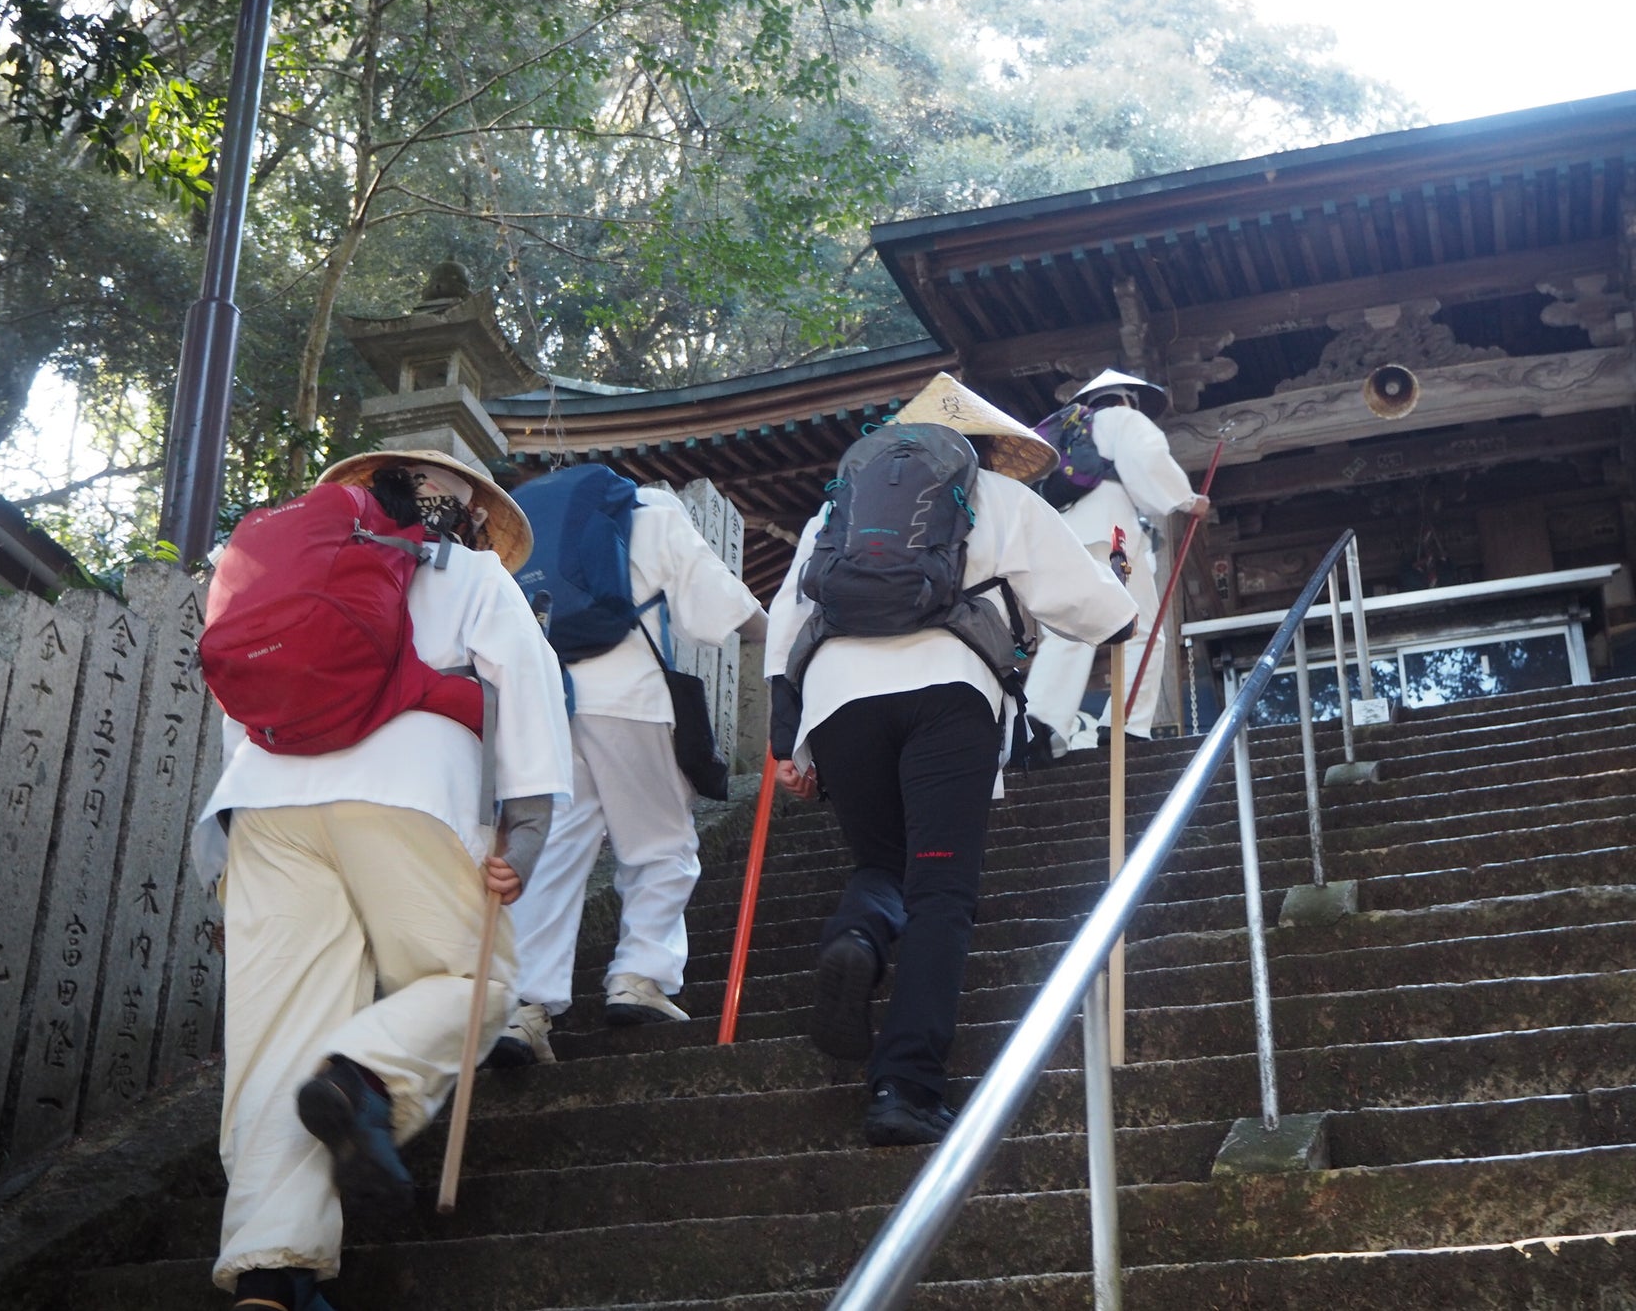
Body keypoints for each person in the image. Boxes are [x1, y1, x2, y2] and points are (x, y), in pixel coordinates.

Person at [191, 450, 574, 1311]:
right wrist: (528, 831)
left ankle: (269, 1275)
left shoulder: (276, 560)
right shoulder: (472, 571)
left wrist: (224, 842)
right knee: (476, 980)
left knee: (275, 1040)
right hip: (408, 793)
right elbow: (527, 691)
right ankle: (364, 1079)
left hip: (266, 804)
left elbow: (243, 703)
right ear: (466, 514)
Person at [765, 373, 1138, 1147]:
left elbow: (788, 617)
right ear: (987, 446)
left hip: (839, 699)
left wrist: (786, 743)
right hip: (947, 696)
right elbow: (1097, 612)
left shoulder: (839, 508)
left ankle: (858, 938)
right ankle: (904, 1085)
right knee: (940, 889)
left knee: (882, 865)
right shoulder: (1001, 499)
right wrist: (1121, 596)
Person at [494, 477, 767, 1062]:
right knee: (661, 843)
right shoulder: (654, 513)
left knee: (558, 851)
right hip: (632, 701)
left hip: (553, 703)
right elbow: (718, 606)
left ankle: (524, 1009)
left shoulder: (540, 529)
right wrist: (786, 636)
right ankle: (639, 978)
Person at [1023, 368, 1211, 761]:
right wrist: (1187, 500)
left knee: (1069, 631)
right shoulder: (1123, 418)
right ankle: (1124, 724)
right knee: (1140, 630)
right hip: (1113, 537)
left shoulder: (1071, 434)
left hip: (1062, 536)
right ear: (1126, 398)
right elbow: (1148, 459)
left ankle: (1039, 723)